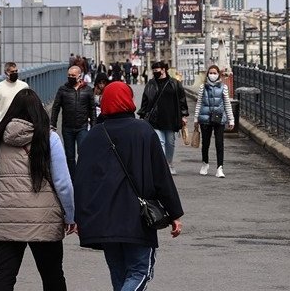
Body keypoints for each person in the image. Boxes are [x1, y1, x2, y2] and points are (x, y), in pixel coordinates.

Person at [74, 82, 183, 291]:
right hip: (137, 218)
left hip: (104, 219)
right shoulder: (143, 131)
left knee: (119, 273)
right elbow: (161, 176)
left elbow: (81, 182)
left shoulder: (94, 136)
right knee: (140, 272)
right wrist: (174, 213)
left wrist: (79, 217)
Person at [0, 89, 76, 291]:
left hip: (5, 214)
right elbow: (62, 183)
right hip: (42, 216)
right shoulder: (49, 138)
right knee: (52, 274)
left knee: (4, 274)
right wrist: (70, 216)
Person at [139, 61, 187, 175]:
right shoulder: (150, 84)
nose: (155, 72)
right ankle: (163, 167)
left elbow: (182, 100)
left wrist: (184, 115)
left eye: (157, 70)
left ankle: (169, 163)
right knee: (160, 142)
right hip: (155, 119)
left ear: (163, 70)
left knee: (170, 143)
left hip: (171, 118)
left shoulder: (175, 83)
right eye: (154, 71)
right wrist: (142, 115)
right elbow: (145, 100)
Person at [50, 65, 95, 173]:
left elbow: (92, 109)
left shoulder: (88, 90)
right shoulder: (62, 90)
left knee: (83, 152)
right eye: (69, 75)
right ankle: (73, 178)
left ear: (79, 76)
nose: (70, 77)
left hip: (82, 127)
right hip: (67, 128)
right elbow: (56, 107)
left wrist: (94, 125)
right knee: (69, 156)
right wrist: (53, 124)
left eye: (73, 75)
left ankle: (82, 174)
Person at [192, 64, 235, 177]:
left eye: (214, 73)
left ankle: (219, 168)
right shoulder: (202, 87)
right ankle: (205, 164)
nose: (212, 75)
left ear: (218, 75)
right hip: (205, 118)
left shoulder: (223, 87)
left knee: (219, 143)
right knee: (205, 143)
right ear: (207, 74)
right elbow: (199, 103)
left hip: (219, 118)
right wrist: (196, 119)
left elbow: (227, 104)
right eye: (210, 73)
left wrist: (231, 119)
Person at [0, 63, 29, 135]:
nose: (15, 73)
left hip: (21, 123)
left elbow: (29, 104)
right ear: (6, 73)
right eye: (12, 72)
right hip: (3, 124)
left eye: (16, 71)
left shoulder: (24, 86)